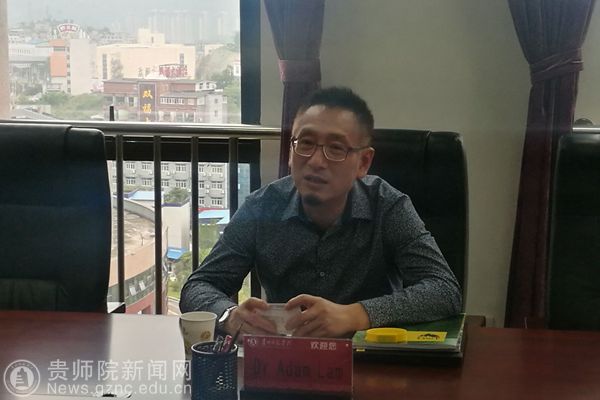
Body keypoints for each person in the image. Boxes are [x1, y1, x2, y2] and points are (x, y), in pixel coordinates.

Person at [180, 87, 462, 338]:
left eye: (336, 148)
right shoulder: (262, 206)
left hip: (369, 361)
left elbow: (444, 290)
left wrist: (354, 315)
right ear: (291, 151)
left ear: (363, 162)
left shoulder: (387, 206)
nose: (316, 161)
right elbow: (199, 286)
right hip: (288, 361)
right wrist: (230, 317)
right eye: (305, 143)